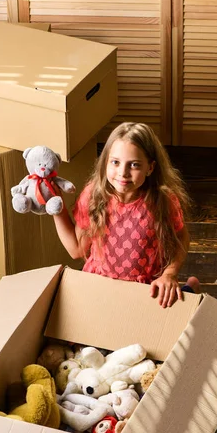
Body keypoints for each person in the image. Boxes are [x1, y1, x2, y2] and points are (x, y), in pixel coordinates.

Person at [53, 122, 200, 308]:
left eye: (134, 165)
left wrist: (170, 274)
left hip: (146, 289)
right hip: (100, 286)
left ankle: (190, 289)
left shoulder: (163, 201)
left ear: (150, 168)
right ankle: (190, 288)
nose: (123, 173)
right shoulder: (93, 196)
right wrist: (55, 206)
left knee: (169, 322)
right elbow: (76, 250)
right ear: (105, 162)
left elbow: (181, 236)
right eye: (115, 162)